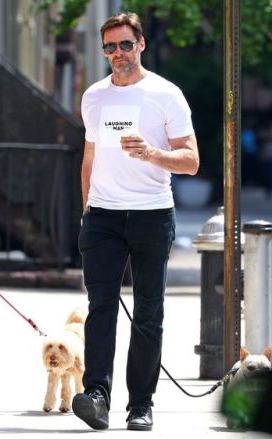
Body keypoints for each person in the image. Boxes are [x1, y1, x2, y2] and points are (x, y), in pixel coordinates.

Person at [72, 12, 199, 431]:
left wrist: (152, 154)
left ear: (141, 44)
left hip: (151, 213)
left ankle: (140, 404)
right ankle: (97, 395)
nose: (118, 54)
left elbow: (191, 160)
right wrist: (87, 209)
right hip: (103, 218)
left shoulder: (166, 95)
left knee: (148, 312)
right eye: (110, 47)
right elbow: (89, 156)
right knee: (100, 308)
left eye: (125, 45)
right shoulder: (94, 96)